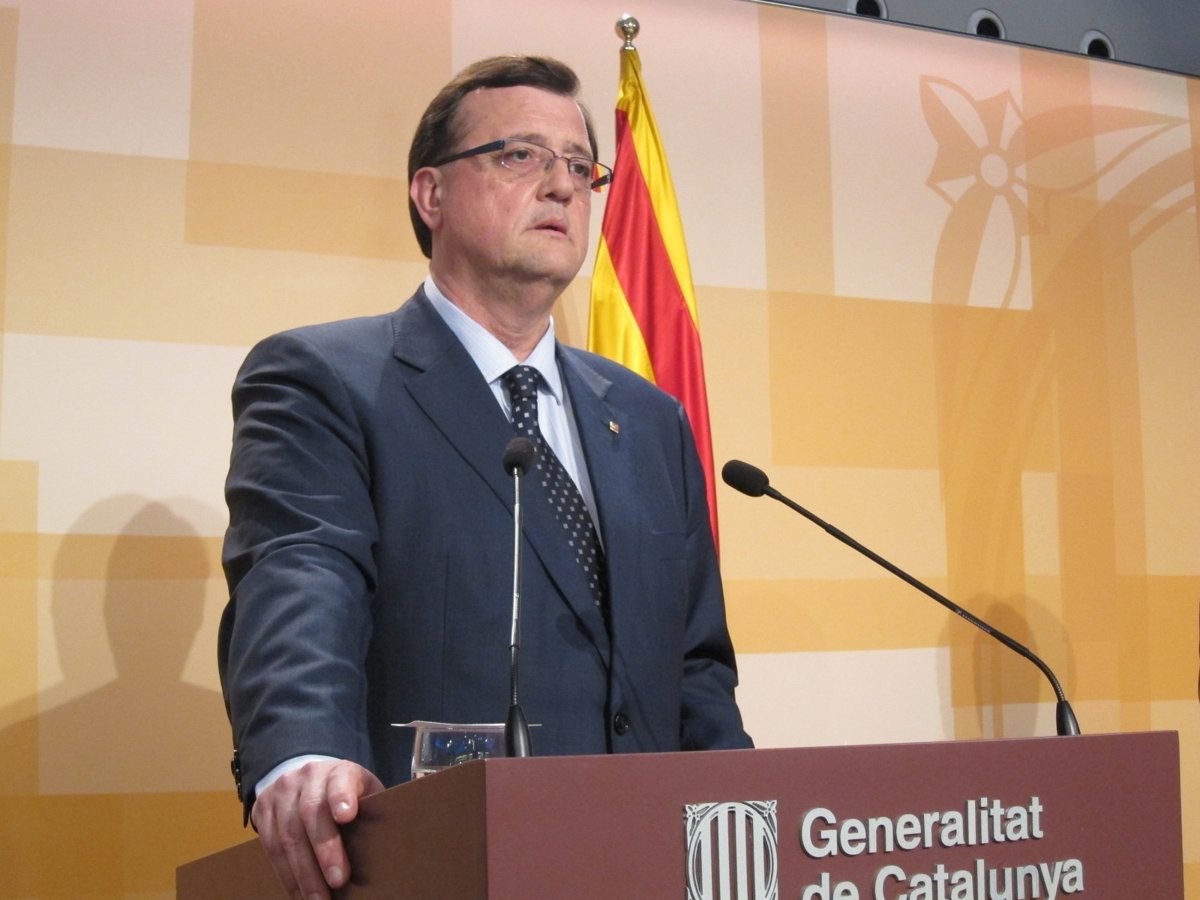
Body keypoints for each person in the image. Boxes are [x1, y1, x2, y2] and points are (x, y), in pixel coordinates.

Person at [217, 54, 752, 899]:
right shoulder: (328, 380)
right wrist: (304, 749)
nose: (563, 186)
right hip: (440, 859)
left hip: (649, 860)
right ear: (431, 194)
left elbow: (695, 665)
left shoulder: (650, 418)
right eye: (520, 155)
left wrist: (742, 817)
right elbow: (301, 573)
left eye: (580, 166)